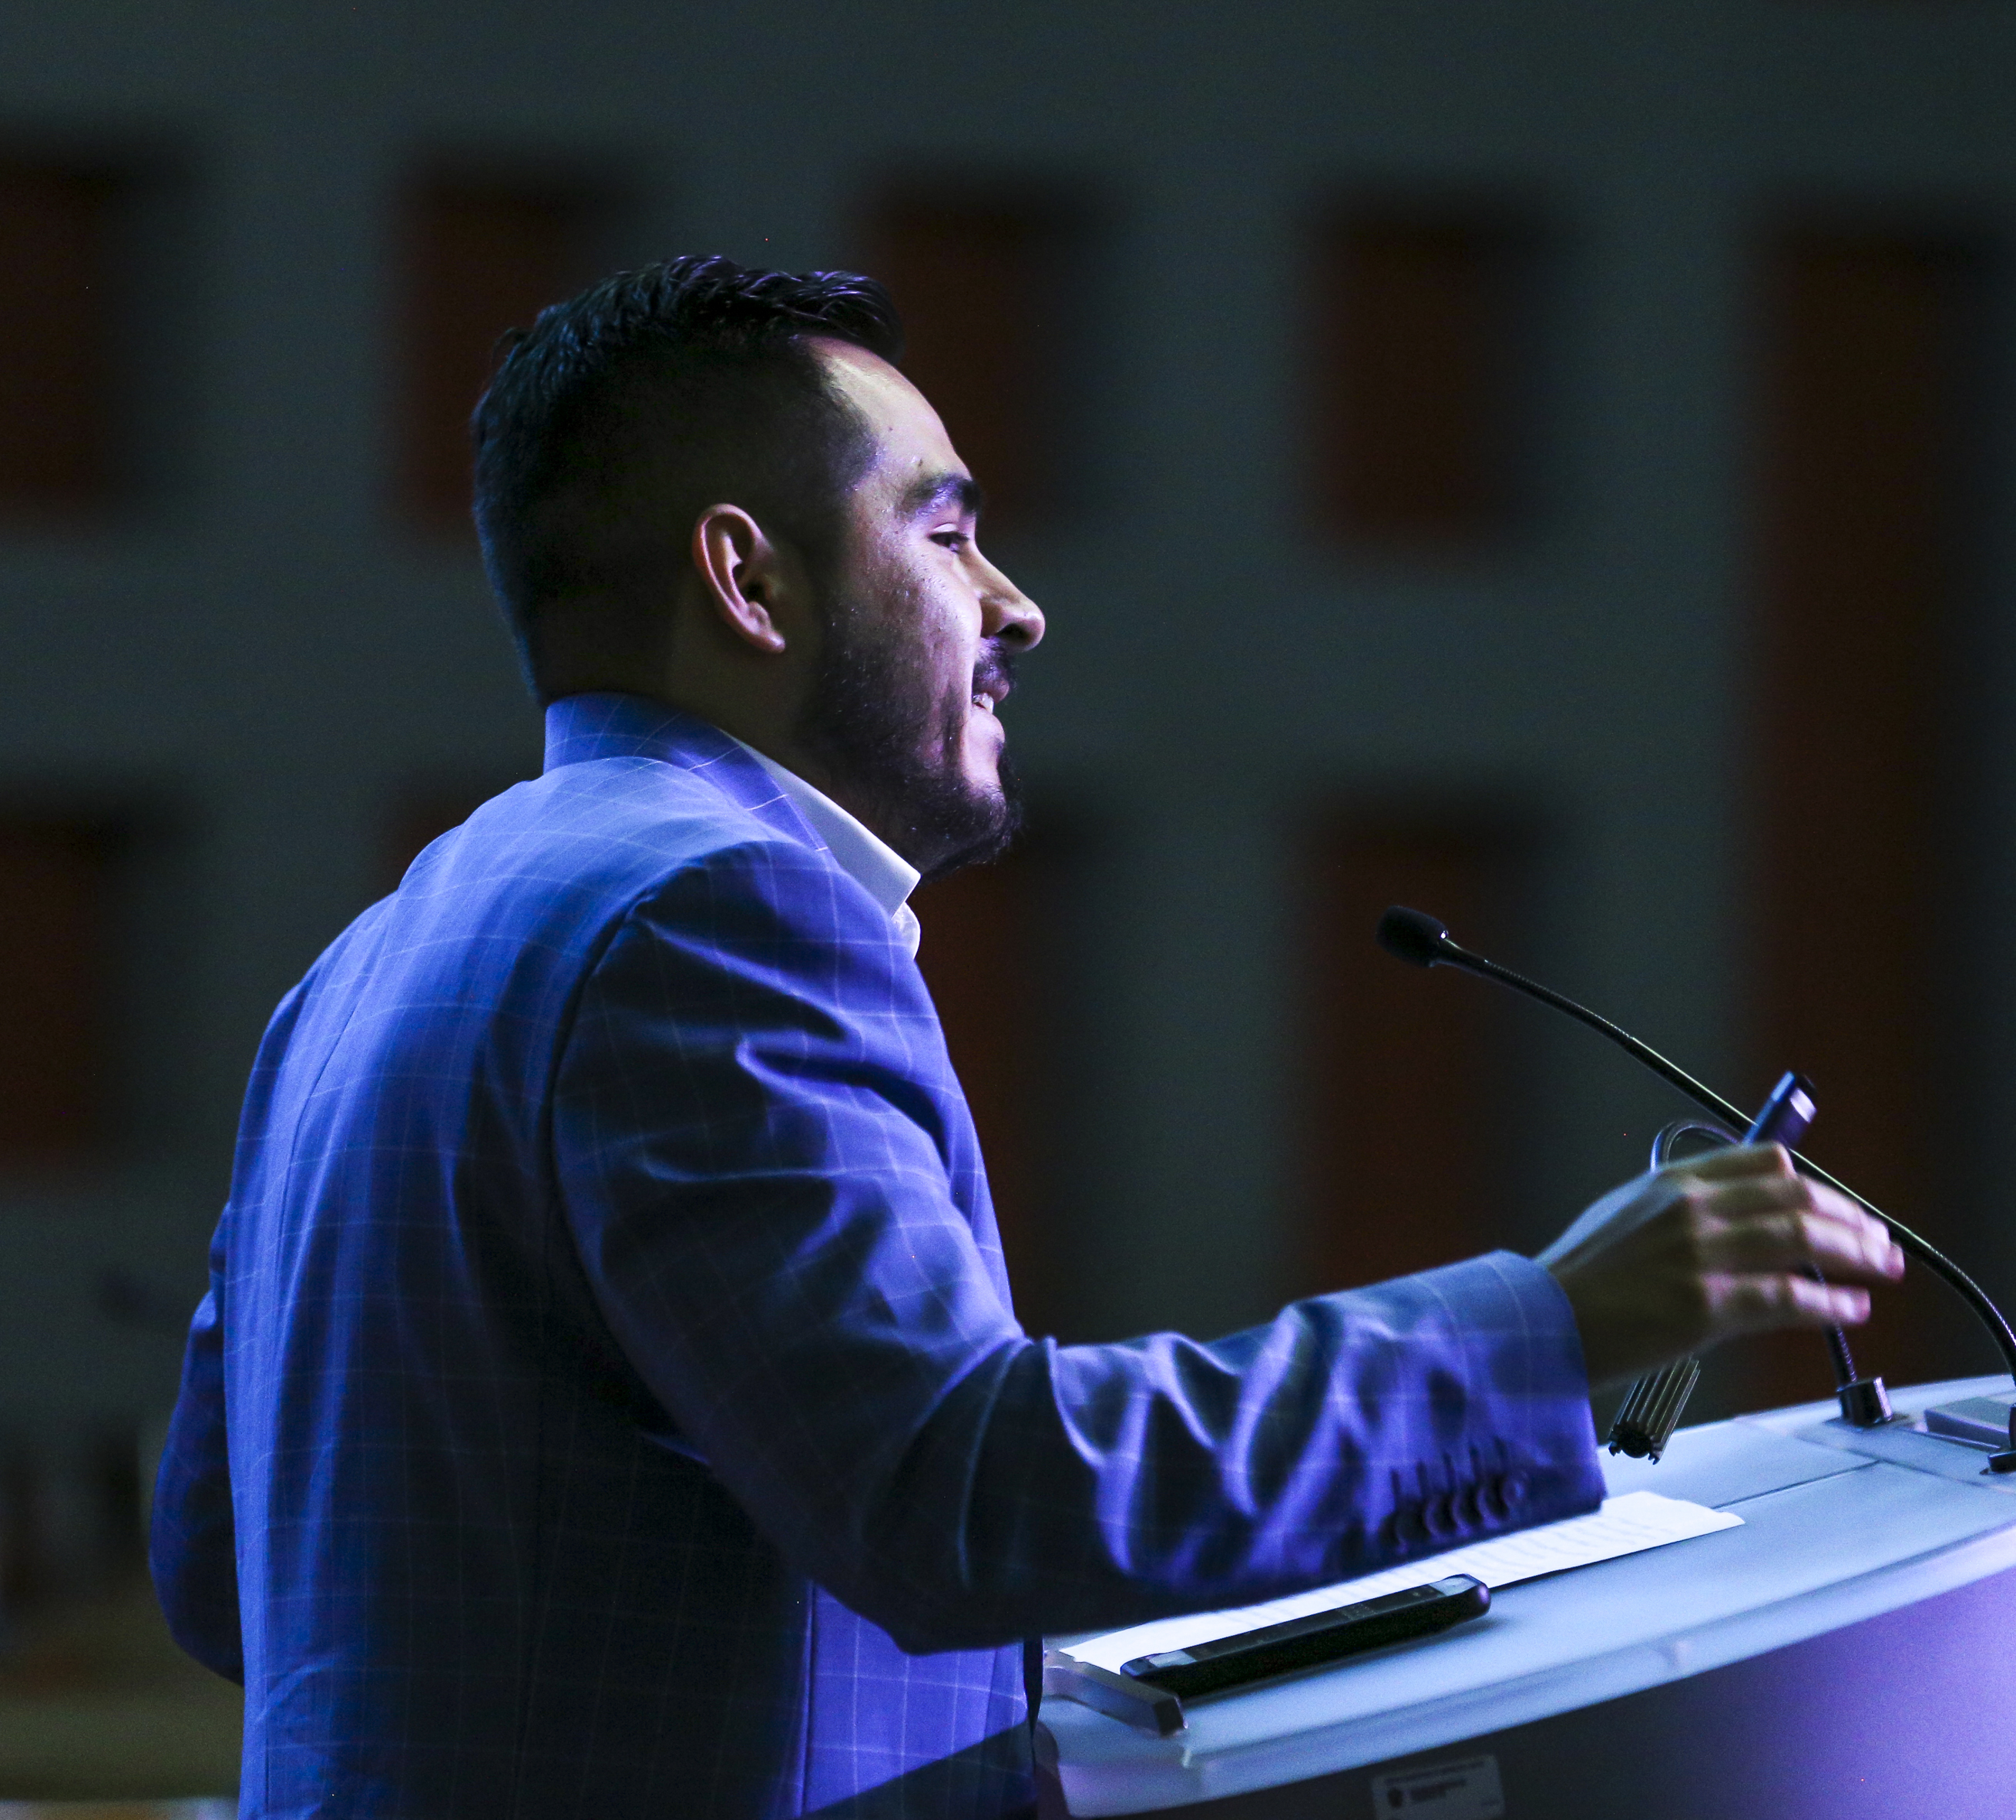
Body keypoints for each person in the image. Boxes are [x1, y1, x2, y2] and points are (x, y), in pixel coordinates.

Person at [150, 254, 1901, 1819]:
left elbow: (225, 1569)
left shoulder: (370, 962)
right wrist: (1554, 1325)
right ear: (748, 580)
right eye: (945, 528)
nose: (1014, 602)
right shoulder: (717, 912)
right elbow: (953, 1491)